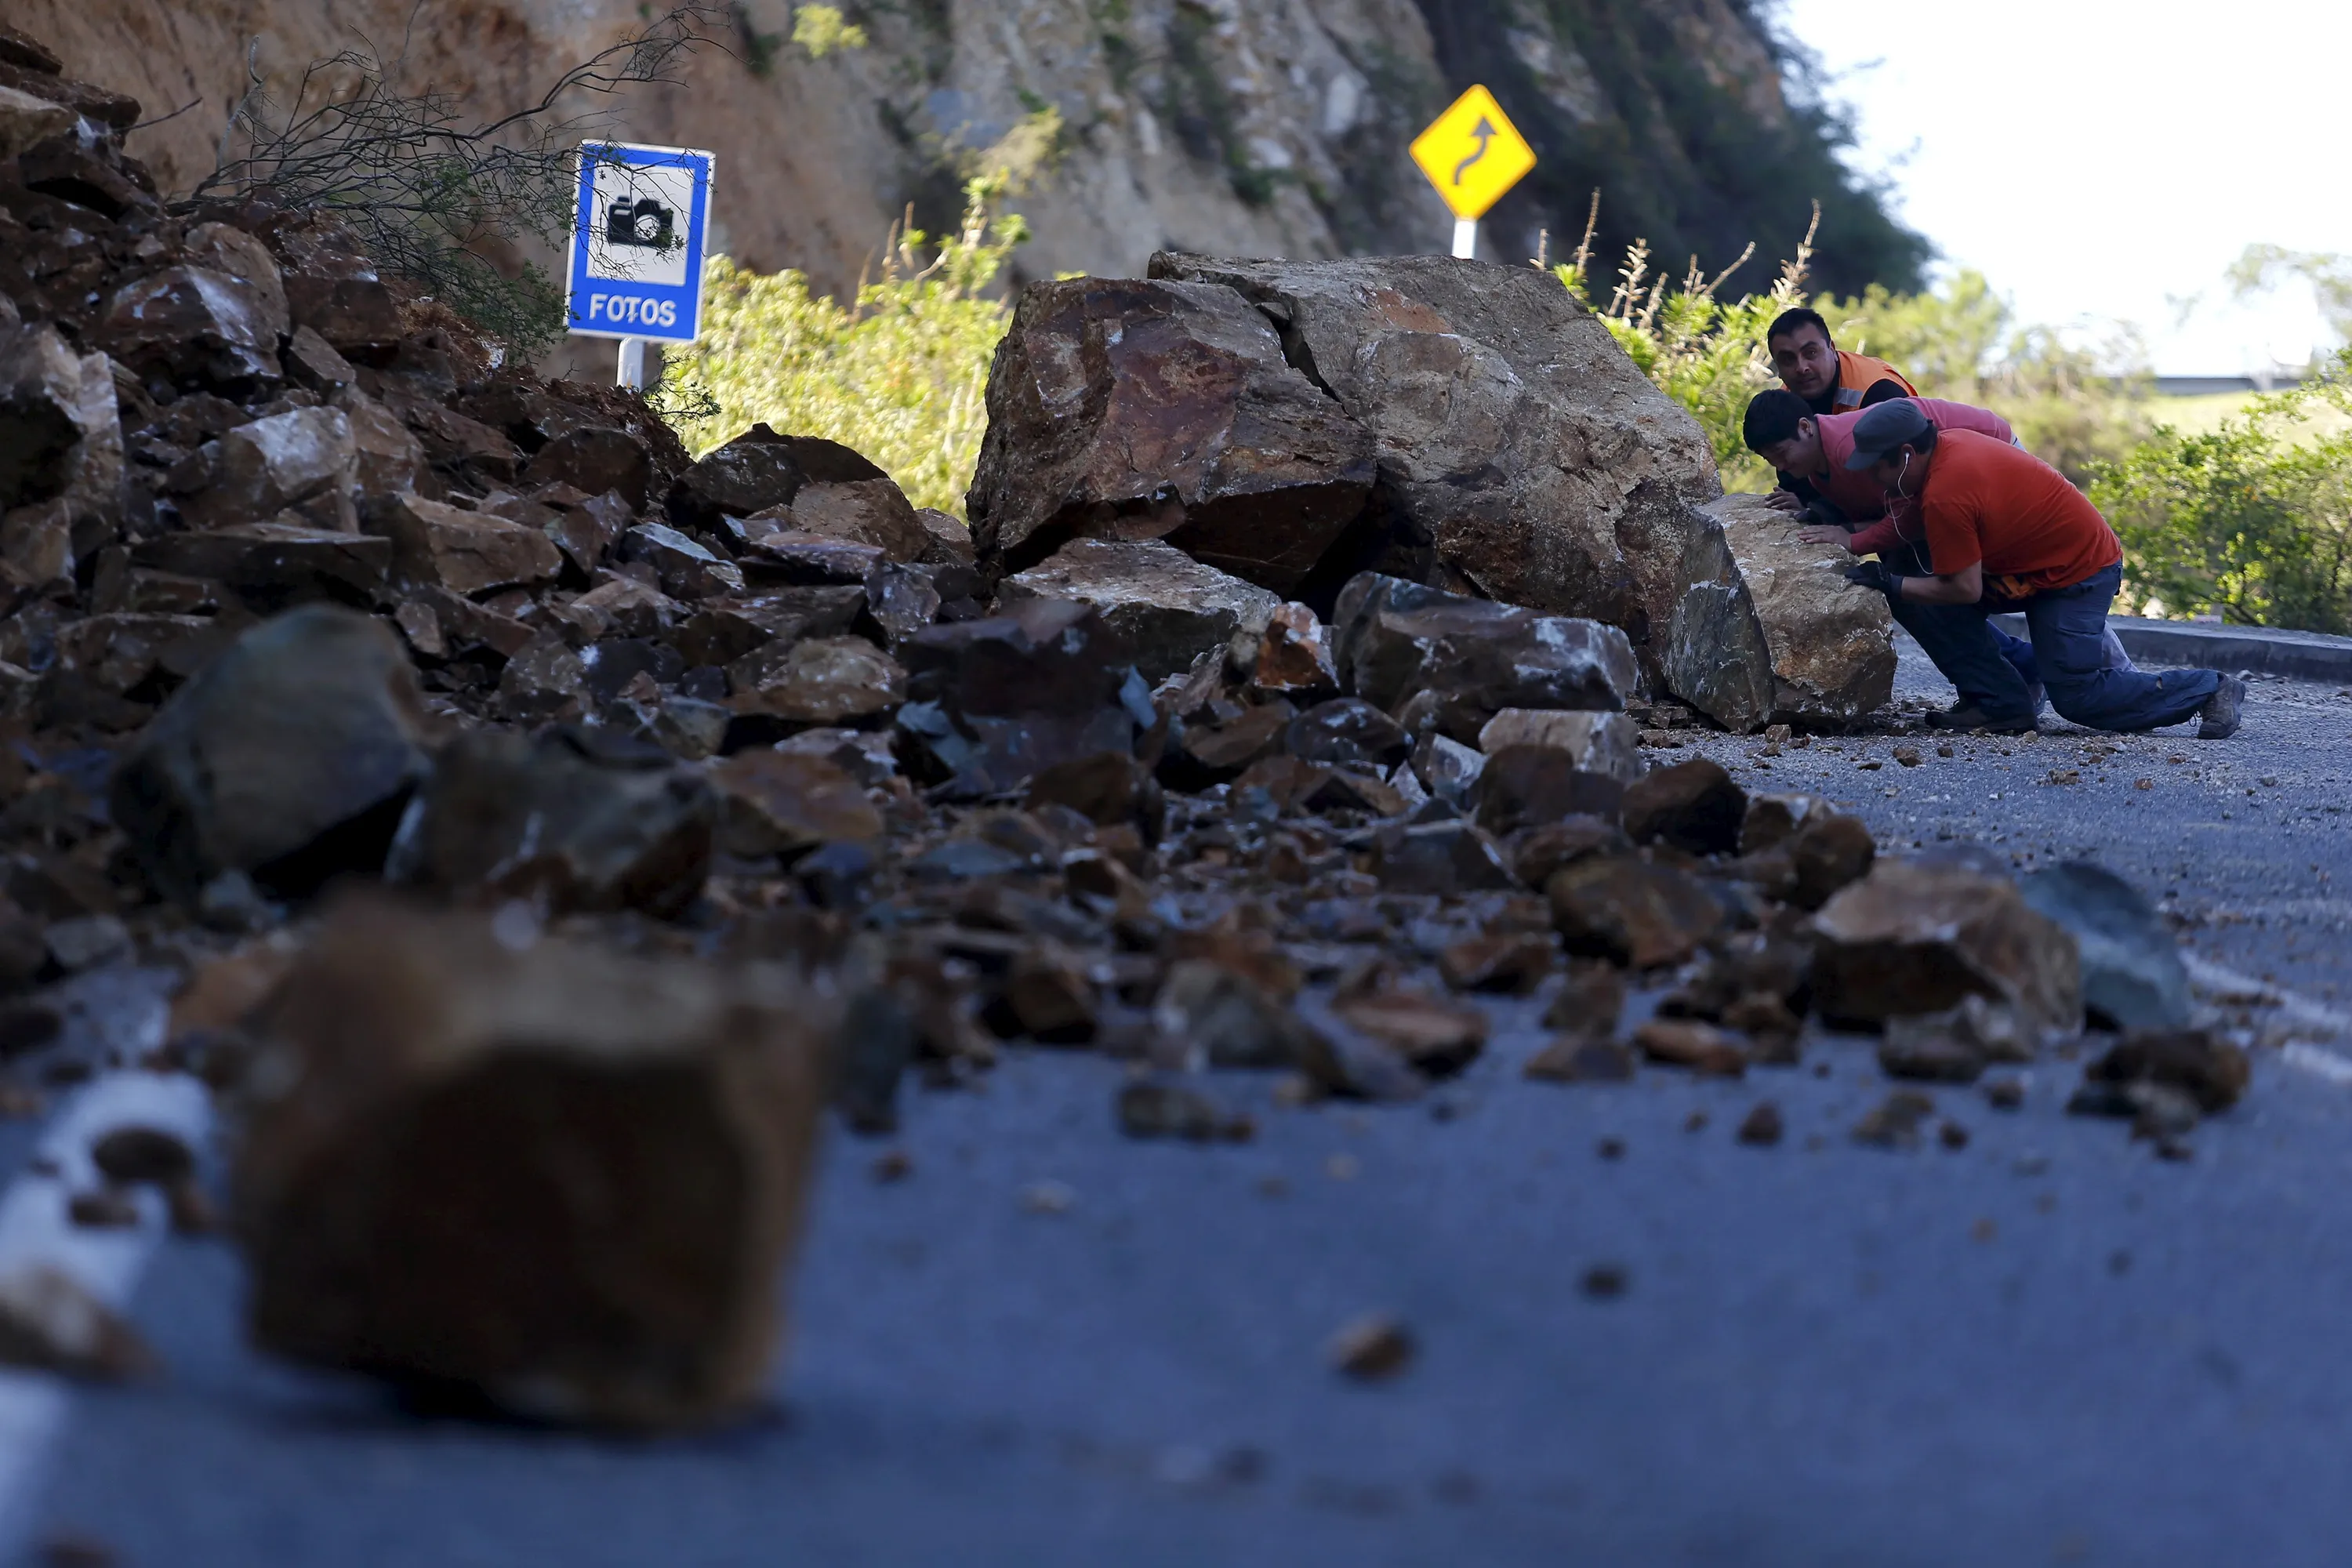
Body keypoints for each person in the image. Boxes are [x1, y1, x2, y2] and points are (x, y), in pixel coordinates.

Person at [1836, 398, 2243, 739]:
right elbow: (1910, 522)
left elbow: (1963, 590)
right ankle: (2001, 704)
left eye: (1877, 467)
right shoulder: (1944, 448)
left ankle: (2210, 688)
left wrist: (1890, 583)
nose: (1874, 478)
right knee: (1912, 582)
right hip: (2028, 568)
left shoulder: (1947, 493)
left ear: (1906, 454)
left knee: (2078, 696)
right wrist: (1849, 541)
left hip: (2078, 573)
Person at [1766, 307, 1917, 417]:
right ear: (1778, 368)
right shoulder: (1782, 406)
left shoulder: (1880, 391)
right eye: (1788, 359)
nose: (1801, 367)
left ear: (1832, 349)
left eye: (1811, 353)